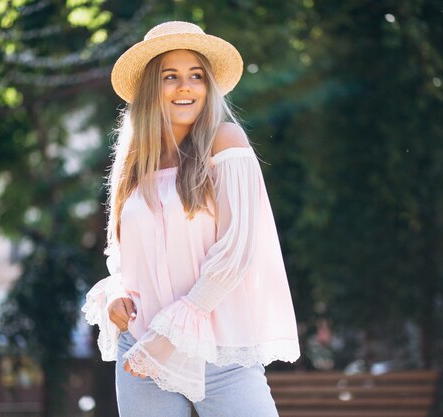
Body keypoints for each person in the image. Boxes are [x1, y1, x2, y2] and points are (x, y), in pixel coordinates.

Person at [82, 21, 300, 417]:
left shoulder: (226, 141)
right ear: (151, 88)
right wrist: (117, 293)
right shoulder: (134, 164)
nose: (186, 86)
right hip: (143, 349)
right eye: (171, 77)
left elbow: (238, 249)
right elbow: (124, 256)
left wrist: (173, 334)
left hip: (219, 354)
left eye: (196, 76)